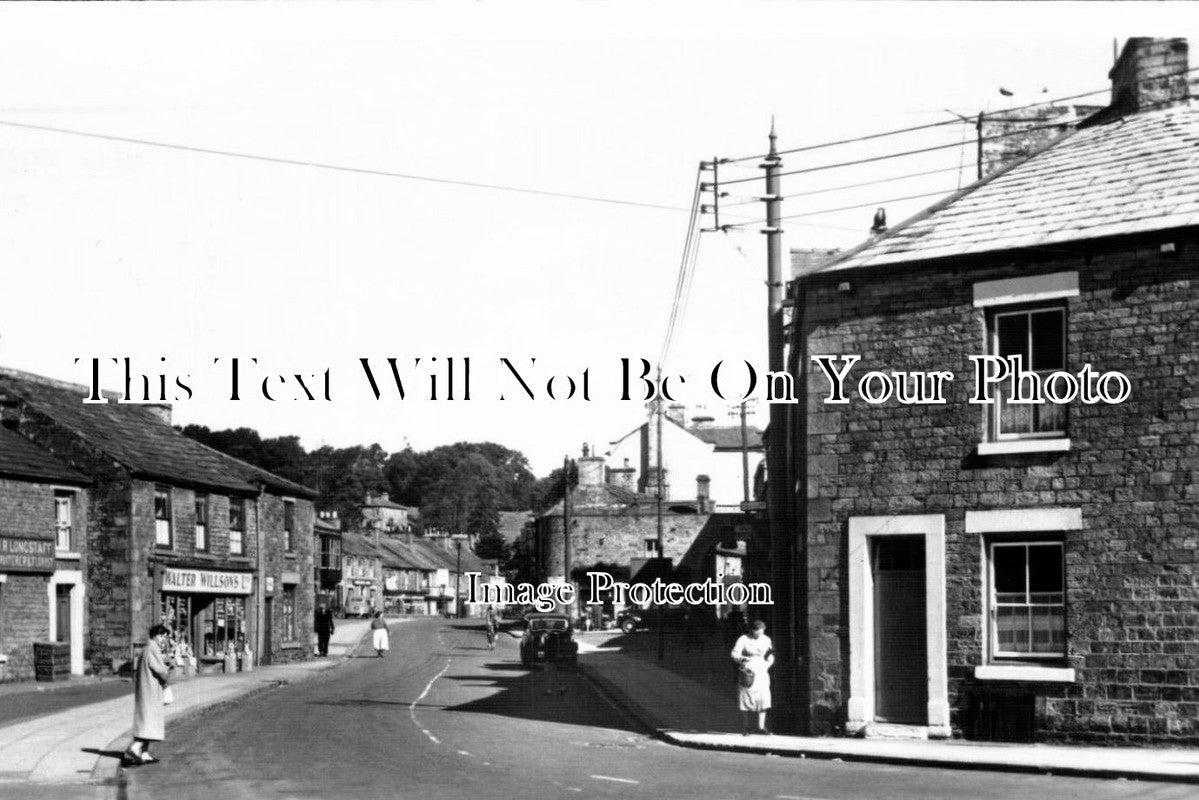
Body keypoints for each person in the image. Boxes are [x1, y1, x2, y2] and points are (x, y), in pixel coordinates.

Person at [124, 624, 172, 766]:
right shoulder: (153, 648)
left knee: (147, 721)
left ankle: (144, 753)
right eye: (162, 636)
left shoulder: (147, 648)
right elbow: (160, 670)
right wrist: (167, 669)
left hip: (146, 690)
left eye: (165, 636)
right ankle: (135, 748)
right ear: (155, 636)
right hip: (150, 691)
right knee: (149, 721)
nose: (164, 639)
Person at [730, 619, 774, 736]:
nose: (760, 634)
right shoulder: (743, 639)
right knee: (745, 697)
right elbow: (734, 653)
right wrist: (743, 659)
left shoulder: (766, 639)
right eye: (757, 632)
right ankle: (746, 727)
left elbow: (770, 654)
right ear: (752, 631)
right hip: (747, 671)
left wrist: (768, 663)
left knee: (763, 697)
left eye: (762, 631)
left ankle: (761, 726)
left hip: (761, 671)